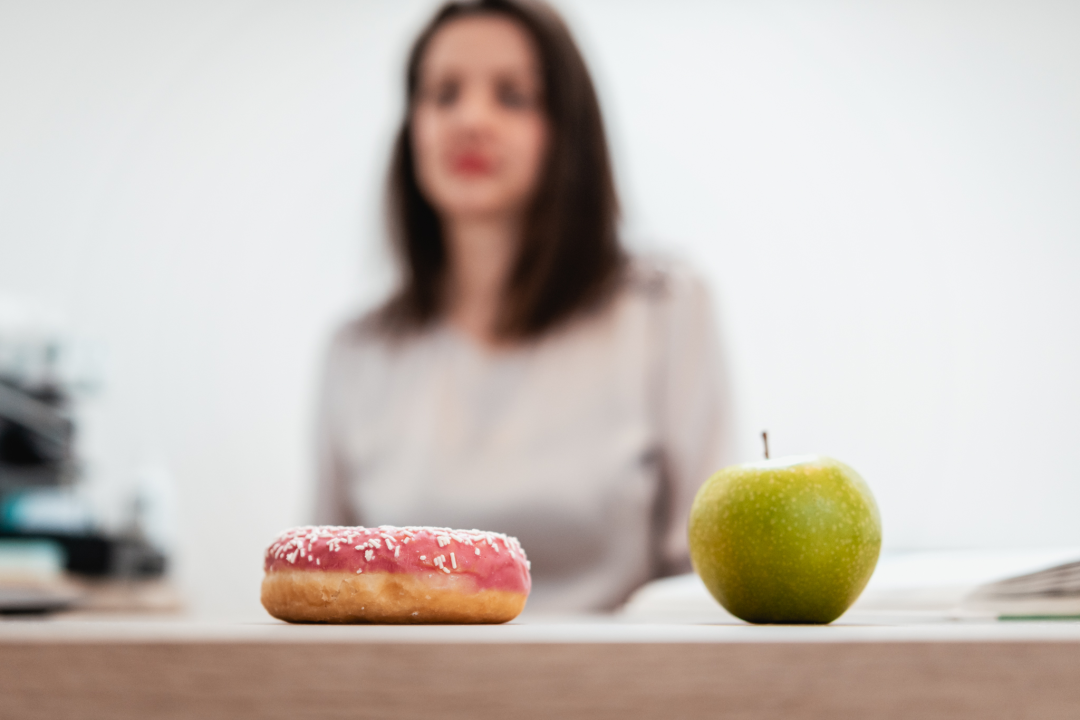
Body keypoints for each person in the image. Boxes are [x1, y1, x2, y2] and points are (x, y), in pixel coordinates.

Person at [314, 0, 732, 612]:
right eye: (443, 94)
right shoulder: (357, 352)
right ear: (413, 129)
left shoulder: (664, 309)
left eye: (513, 96)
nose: (471, 120)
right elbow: (329, 590)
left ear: (568, 129)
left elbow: (702, 576)